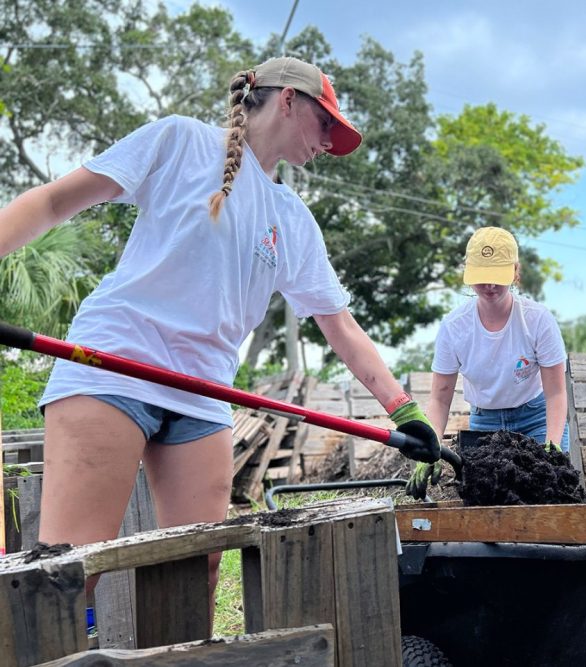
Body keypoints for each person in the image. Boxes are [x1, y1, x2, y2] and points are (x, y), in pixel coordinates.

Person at [0, 56, 439, 612]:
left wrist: (402, 408)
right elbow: (53, 201)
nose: (329, 142)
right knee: (69, 573)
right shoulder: (178, 142)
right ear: (287, 100)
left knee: (195, 576)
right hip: (112, 367)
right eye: (326, 123)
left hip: (204, 393)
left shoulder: (293, 217)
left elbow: (340, 326)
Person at [405, 227, 569, 499]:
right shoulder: (455, 327)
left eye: (497, 277)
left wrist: (552, 441)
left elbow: (556, 391)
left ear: (515, 271)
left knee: (549, 492)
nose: (490, 286)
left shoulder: (538, 320)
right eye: (482, 278)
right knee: (487, 498)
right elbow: (440, 399)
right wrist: (430, 447)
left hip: (535, 418)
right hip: (486, 422)